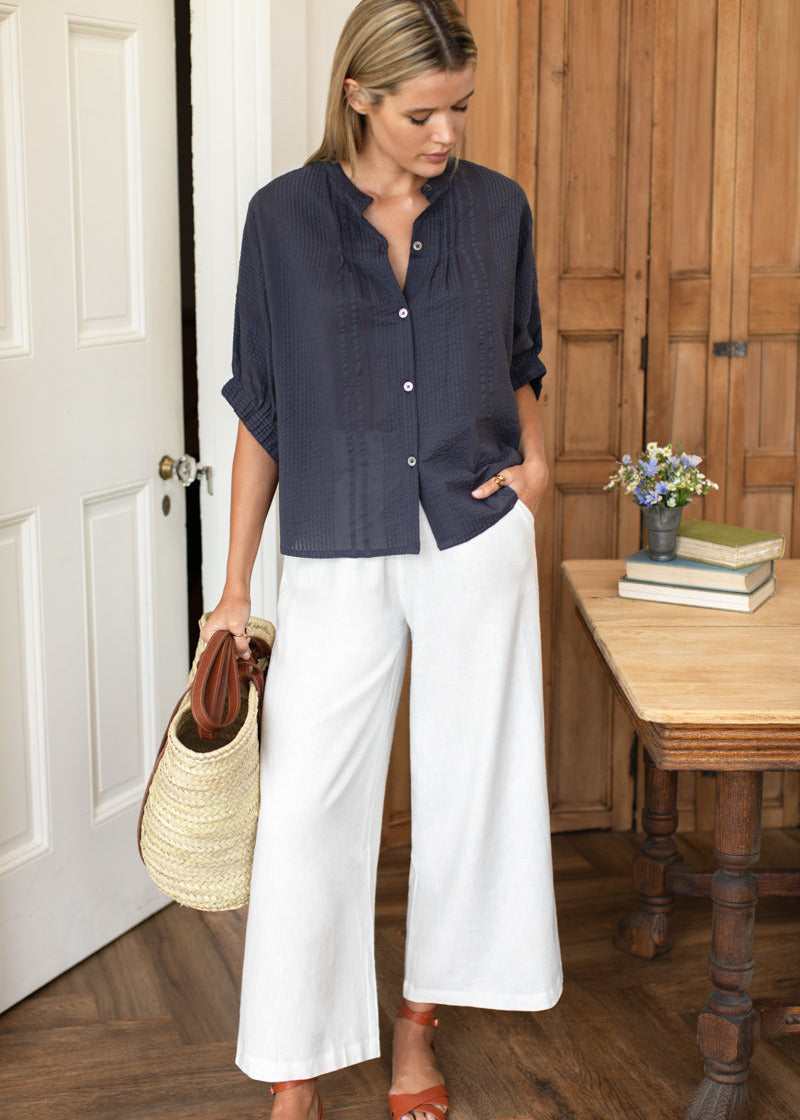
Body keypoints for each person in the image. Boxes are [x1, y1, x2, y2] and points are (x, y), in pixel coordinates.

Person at [201, 2, 563, 1118]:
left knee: (473, 791)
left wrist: (538, 465)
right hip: (335, 542)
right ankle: (296, 1068)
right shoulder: (281, 220)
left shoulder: (497, 208)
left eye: (459, 108)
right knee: (310, 803)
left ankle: (417, 1030)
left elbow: (518, 358)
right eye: (421, 113)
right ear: (358, 95)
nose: (446, 134)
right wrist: (233, 585)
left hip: (470, 531)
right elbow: (261, 408)